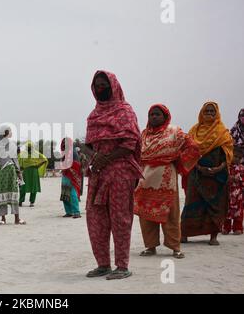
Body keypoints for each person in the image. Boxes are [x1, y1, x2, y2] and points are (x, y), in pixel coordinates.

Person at [84, 70, 142, 280]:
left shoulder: (125, 111)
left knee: (120, 218)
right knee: (95, 217)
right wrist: (93, 157)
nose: (100, 89)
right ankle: (103, 264)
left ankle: (122, 266)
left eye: (103, 85)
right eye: (96, 86)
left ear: (113, 86)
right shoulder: (93, 115)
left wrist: (106, 158)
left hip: (120, 171)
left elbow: (130, 144)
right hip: (98, 172)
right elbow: (90, 146)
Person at [134, 104, 200, 259]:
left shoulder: (174, 132)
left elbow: (193, 147)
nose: (154, 117)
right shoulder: (143, 135)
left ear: (165, 116)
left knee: (170, 213)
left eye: (158, 114)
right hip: (146, 179)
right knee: (146, 214)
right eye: (151, 114)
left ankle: (175, 247)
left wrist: (179, 162)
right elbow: (136, 154)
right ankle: (150, 247)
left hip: (166, 178)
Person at [181, 102, 234, 245]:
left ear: (217, 113)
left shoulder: (223, 132)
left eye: (212, 111)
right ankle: (185, 234)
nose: (209, 113)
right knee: (191, 202)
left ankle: (213, 237)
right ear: (201, 113)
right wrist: (198, 166)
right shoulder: (194, 131)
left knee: (215, 205)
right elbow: (188, 152)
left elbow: (227, 154)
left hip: (217, 176)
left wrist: (218, 168)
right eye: (206, 111)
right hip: (196, 174)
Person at [0, 126, 25, 225]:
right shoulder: (11, 144)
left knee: (1, 192)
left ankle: (3, 219)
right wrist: (19, 173)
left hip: (0, 171)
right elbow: (15, 160)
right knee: (13, 192)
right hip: (10, 170)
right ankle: (17, 219)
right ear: (6, 133)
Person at [18, 141, 48, 207]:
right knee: (23, 187)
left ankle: (32, 202)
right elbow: (19, 161)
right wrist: (21, 168)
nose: (29, 148)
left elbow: (45, 159)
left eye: (30, 147)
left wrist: (38, 165)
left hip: (34, 172)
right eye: (28, 147)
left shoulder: (36, 153)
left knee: (33, 187)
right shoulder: (23, 154)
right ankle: (20, 201)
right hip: (25, 172)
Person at [58, 138, 82, 218]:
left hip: (71, 174)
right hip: (66, 173)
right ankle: (69, 211)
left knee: (72, 193)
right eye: (63, 143)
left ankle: (76, 212)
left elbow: (76, 164)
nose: (64, 145)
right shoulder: (66, 151)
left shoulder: (71, 151)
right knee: (65, 192)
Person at [223, 147, 244, 235]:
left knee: (238, 212)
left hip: (238, 194)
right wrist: (227, 179)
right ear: (230, 155)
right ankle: (226, 228)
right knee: (226, 211)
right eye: (235, 156)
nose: (237, 159)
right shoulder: (226, 167)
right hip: (227, 192)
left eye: (240, 158)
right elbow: (222, 178)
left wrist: (238, 179)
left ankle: (237, 228)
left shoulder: (242, 168)